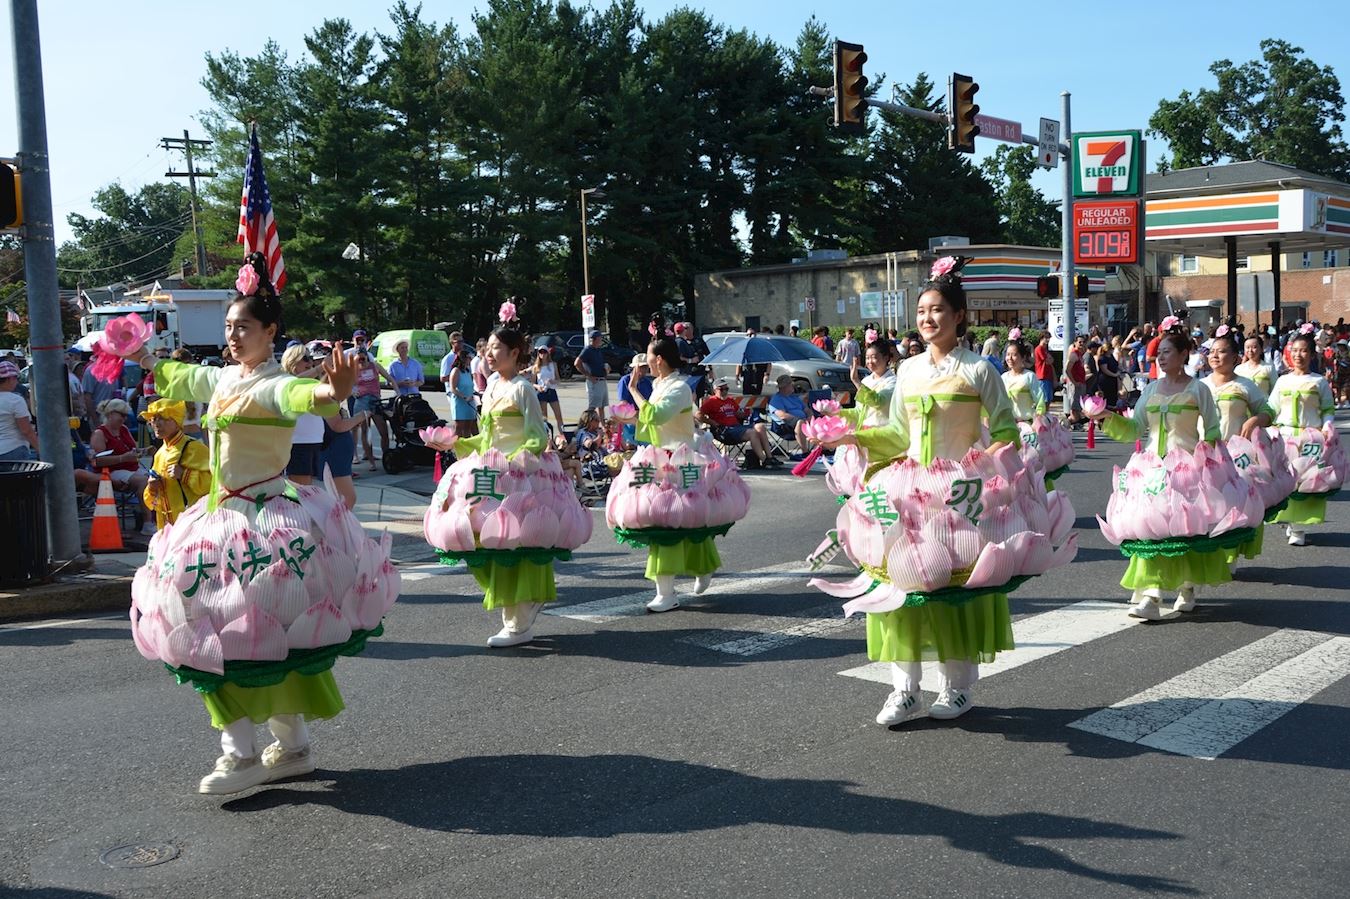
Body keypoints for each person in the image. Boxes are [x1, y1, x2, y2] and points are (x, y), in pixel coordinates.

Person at [123, 252, 398, 795]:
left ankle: (246, 755)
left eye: (243, 327)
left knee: (245, 635)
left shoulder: (273, 383)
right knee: (236, 634)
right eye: (228, 327)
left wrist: (334, 391)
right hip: (217, 518)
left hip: (267, 521)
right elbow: (184, 376)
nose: (232, 336)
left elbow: (302, 394)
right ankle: (288, 746)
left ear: (270, 332)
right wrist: (142, 354)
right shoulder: (225, 377)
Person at [813, 257, 1071, 727]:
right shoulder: (908, 371)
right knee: (898, 580)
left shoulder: (979, 370)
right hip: (907, 486)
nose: (927, 318)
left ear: (959, 316)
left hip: (961, 489)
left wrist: (979, 466)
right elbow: (896, 434)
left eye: (936, 310)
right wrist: (851, 437)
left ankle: (956, 687)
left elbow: (1007, 433)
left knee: (954, 585)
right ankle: (904, 690)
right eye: (921, 311)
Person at [424, 312, 590, 647]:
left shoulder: (522, 388)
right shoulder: (492, 387)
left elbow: (537, 436)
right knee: (483, 540)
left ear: (514, 353)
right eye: (488, 348)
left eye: (496, 348)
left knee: (521, 542)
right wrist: (454, 444)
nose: (489, 353)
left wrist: (517, 459)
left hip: (522, 474)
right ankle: (522, 610)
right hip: (491, 471)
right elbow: (487, 438)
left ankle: (518, 621)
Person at [1090, 331, 1231, 618]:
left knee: (1184, 532)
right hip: (1152, 469)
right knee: (1150, 531)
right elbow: (1134, 429)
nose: (1161, 357)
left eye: (1167, 352)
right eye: (1159, 352)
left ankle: (1187, 587)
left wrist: (1206, 456)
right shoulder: (1151, 390)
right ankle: (1151, 596)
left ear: (1183, 355)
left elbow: (1212, 429)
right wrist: (1107, 416)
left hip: (1187, 469)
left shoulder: (1198, 390)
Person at [606, 337, 750, 612]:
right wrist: (629, 419)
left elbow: (656, 416)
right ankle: (666, 591)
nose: (645, 362)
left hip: (681, 461)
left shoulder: (680, 388)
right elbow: (651, 424)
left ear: (659, 360)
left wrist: (633, 389)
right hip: (658, 459)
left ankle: (701, 568)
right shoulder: (659, 385)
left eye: (648, 356)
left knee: (688, 521)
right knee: (661, 526)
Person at [1200, 330, 1282, 564]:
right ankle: (1210, 553)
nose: (1215, 356)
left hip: (1235, 455)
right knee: (1208, 504)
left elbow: (1268, 411)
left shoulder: (1245, 386)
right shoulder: (1199, 386)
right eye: (1212, 352)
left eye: (1222, 351)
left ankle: (1231, 552)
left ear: (1236, 357)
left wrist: (1254, 420)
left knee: (1234, 503)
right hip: (1204, 453)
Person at [1270, 329, 1341, 546]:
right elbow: (1272, 407)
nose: (1298, 355)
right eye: (1294, 351)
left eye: (1303, 351)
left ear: (1311, 355)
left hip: (1310, 438)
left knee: (1306, 482)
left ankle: (1298, 527)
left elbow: (1328, 409)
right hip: (1286, 436)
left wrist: (1327, 427)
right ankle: (1290, 519)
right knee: (1287, 481)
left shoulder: (1319, 382)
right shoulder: (1282, 381)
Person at [140, 399, 211, 530]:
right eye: (153, 419)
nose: (157, 424)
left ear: (177, 421)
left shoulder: (193, 447)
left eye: (163, 418)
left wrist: (185, 474)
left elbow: (213, 484)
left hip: (193, 526)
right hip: (168, 528)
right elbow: (153, 502)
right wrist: (152, 488)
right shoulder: (160, 453)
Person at [90, 397, 152, 533]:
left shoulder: (123, 429)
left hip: (131, 468)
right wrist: (122, 458)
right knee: (144, 481)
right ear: (110, 414)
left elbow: (132, 449)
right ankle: (147, 523)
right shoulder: (99, 433)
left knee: (157, 478)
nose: (124, 418)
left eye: (125, 415)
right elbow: (96, 461)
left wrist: (142, 451)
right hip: (112, 471)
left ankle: (155, 518)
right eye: (121, 415)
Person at [698, 377, 774, 469]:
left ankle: (770, 458)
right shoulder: (711, 401)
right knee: (752, 433)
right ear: (715, 390)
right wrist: (711, 422)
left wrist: (746, 413)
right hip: (724, 431)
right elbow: (698, 415)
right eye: (722, 389)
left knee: (760, 426)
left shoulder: (730, 400)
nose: (725, 391)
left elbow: (739, 414)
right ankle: (764, 460)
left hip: (736, 427)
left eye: (726, 389)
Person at [282, 345, 327, 487]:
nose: (310, 362)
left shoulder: (309, 380)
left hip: (313, 441)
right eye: (305, 358)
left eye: (311, 358)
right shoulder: (287, 381)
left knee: (308, 489)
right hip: (298, 443)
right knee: (300, 490)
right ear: (293, 361)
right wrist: (320, 368)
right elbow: (296, 382)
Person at [350, 347, 392, 471]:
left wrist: (397, 390)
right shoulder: (354, 369)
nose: (361, 361)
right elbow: (348, 385)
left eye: (363, 358)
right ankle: (371, 462)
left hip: (375, 400)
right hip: (362, 401)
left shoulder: (375, 366)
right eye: (359, 359)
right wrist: (353, 391)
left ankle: (386, 458)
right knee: (365, 431)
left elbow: (390, 378)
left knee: (383, 431)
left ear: (367, 357)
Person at [842, 338, 897, 431]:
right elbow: (858, 411)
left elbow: (878, 402)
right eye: (867, 358)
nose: (870, 361)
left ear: (886, 358)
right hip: (864, 431)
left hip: (883, 432)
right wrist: (836, 412)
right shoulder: (866, 381)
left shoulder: (893, 381)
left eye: (874, 357)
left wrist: (856, 381)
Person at [0, 360, 39, 461]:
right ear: (9, 379)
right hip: (13, 449)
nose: (17, 382)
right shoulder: (15, 400)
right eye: (16, 378)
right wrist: (41, 450)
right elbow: (26, 431)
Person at [616, 352, 653, 446]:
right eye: (642, 367)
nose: (645, 369)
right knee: (631, 447)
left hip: (644, 420)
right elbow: (623, 404)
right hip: (630, 420)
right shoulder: (625, 380)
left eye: (646, 367)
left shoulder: (647, 382)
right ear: (635, 367)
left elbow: (651, 402)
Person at [767, 374, 810, 454]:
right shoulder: (776, 399)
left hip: (803, 421)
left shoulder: (794, 397)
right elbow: (782, 415)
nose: (792, 386)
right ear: (784, 387)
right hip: (785, 425)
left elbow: (806, 409)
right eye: (790, 385)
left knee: (820, 420)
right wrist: (799, 419)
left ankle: (824, 449)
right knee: (800, 422)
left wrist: (810, 416)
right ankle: (805, 452)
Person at [531, 347, 565, 433]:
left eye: (544, 352)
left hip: (551, 391)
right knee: (544, 417)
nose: (543, 354)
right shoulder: (536, 367)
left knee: (558, 416)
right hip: (542, 392)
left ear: (548, 353)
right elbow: (532, 383)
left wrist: (553, 381)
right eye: (540, 352)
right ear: (538, 354)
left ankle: (562, 434)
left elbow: (558, 380)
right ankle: (546, 436)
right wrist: (538, 387)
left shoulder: (553, 365)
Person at [449, 350, 479, 438]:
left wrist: (476, 394)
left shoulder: (467, 371)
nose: (470, 360)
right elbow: (453, 388)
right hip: (460, 402)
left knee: (468, 426)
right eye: (469, 358)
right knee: (459, 427)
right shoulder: (456, 371)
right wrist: (464, 397)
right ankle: (455, 445)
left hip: (470, 402)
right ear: (463, 359)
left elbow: (470, 387)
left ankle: (466, 445)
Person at [577, 331, 610, 412]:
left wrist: (606, 369)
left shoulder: (598, 350)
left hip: (602, 380)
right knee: (593, 406)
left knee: (601, 406)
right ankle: (587, 419)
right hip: (594, 382)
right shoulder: (587, 350)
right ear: (594, 339)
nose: (601, 340)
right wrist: (588, 376)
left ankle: (601, 420)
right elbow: (577, 363)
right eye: (599, 338)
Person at [1061, 335, 1088, 427]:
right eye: (1079, 342)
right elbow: (1067, 370)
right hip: (1075, 384)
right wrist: (1074, 382)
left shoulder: (1080, 354)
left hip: (1081, 383)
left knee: (1079, 408)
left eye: (1083, 342)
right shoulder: (1074, 354)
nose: (1081, 344)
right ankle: (1063, 425)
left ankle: (1075, 425)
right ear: (1075, 343)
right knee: (1075, 409)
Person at [1033, 331, 1055, 408]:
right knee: (1044, 399)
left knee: (1048, 399)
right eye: (1046, 338)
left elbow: (1052, 360)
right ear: (1042, 338)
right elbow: (1048, 361)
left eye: (1049, 338)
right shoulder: (1039, 349)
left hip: (1048, 376)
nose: (1048, 340)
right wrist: (1049, 359)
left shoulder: (1045, 349)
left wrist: (1050, 359)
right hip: (1042, 376)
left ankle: (1046, 413)